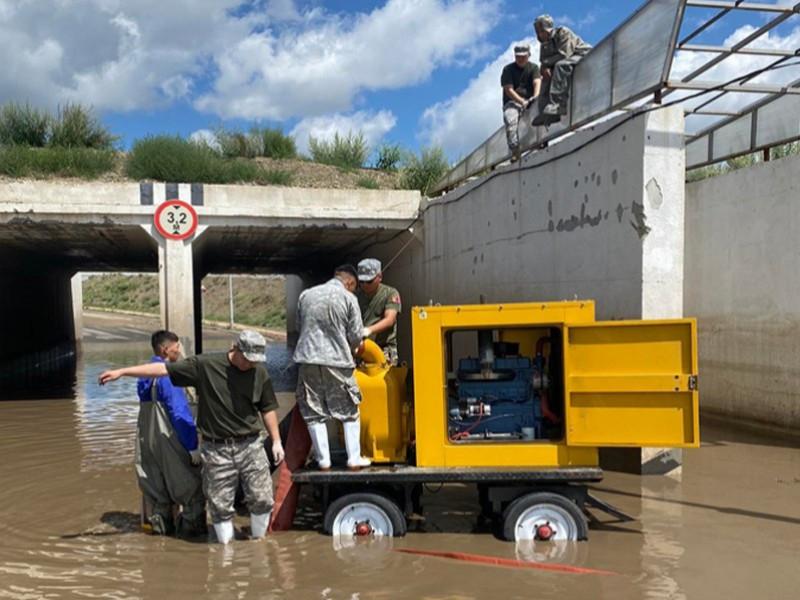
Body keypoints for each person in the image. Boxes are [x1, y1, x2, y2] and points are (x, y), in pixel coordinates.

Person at [99, 330, 285, 545]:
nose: (251, 365)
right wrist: (121, 372)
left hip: (251, 444)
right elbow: (162, 369)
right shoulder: (205, 365)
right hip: (217, 449)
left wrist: (277, 440)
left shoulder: (259, 373)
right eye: (248, 360)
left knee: (262, 498)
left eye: (256, 361)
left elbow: (268, 407)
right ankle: (225, 553)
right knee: (220, 505)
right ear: (236, 349)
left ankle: (258, 545)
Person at [293, 264, 370, 471]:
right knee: (349, 409)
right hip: (337, 361)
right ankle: (354, 458)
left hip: (307, 358)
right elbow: (355, 335)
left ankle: (323, 460)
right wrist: (354, 348)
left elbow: (299, 327)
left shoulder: (306, 295)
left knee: (314, 410)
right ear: (350, 282)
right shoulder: (349, 298)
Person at [135, 330, 205, 537]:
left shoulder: (145, 374)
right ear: (165, 350)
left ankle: (160, 543)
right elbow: (179, 412)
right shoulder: (168, 375)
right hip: (170, 439)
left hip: (148, 439)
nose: (179, 350)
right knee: (192, 492)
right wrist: (192, 446)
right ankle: (192, 544)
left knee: (159, 493)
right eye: (176, 346)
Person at [531, 14, 592, 126]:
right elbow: (543, 61)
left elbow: (565, 54)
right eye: (538, 32)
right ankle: (545, 112)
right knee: (545, 77)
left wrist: (546, 64)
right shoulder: (544, 44)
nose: (540, 34)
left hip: (580, 54)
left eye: (541, 30)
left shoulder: (563, 32)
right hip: (561, 62)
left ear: (547, 28)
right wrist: (545, 68)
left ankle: (558, 105)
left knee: (560, 66)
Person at [356, 258, 401, 366]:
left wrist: (368, 330)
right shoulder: (356, 296)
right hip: (361, 350)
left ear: (379, 277)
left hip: (383, 350)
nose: (365, 285)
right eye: (361, 282)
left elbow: (390, 319)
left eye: (369, 281)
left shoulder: (390, 293)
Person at [501, 44, 541, 161]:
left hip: (530, 100)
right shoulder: (508, 69)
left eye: (523, 56)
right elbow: (508, 89)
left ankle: (538, 142)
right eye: (518, 56)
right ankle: (515, 150)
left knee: (538, 114)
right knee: (510, 119)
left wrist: (535, 97)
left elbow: (537, 82)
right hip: (513, 102)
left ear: (528, 55)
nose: (521, 59)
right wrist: (522, 101)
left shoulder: (533, 68)